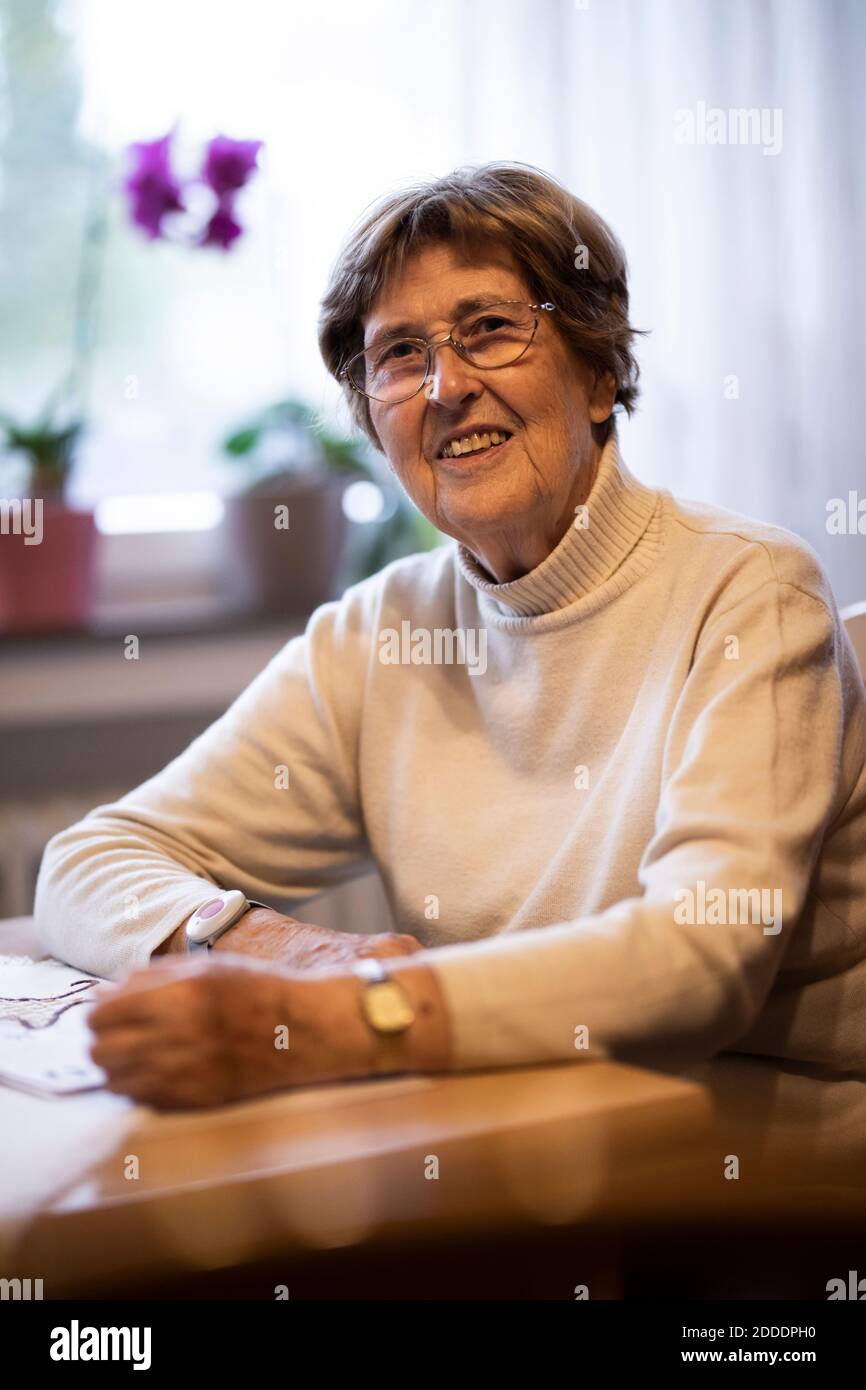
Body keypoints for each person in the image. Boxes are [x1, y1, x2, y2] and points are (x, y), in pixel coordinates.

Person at [34, 163, 866, 1177]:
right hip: (514, 1150)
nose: (444, 387)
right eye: (397, 354)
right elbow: (86, 860)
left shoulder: (749, 592)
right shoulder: (382, 633)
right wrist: (281, 949)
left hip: (759, 1189)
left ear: (597, 372)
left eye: (488, 330)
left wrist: (352, 1015)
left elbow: (700, 959)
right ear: (375, 424)